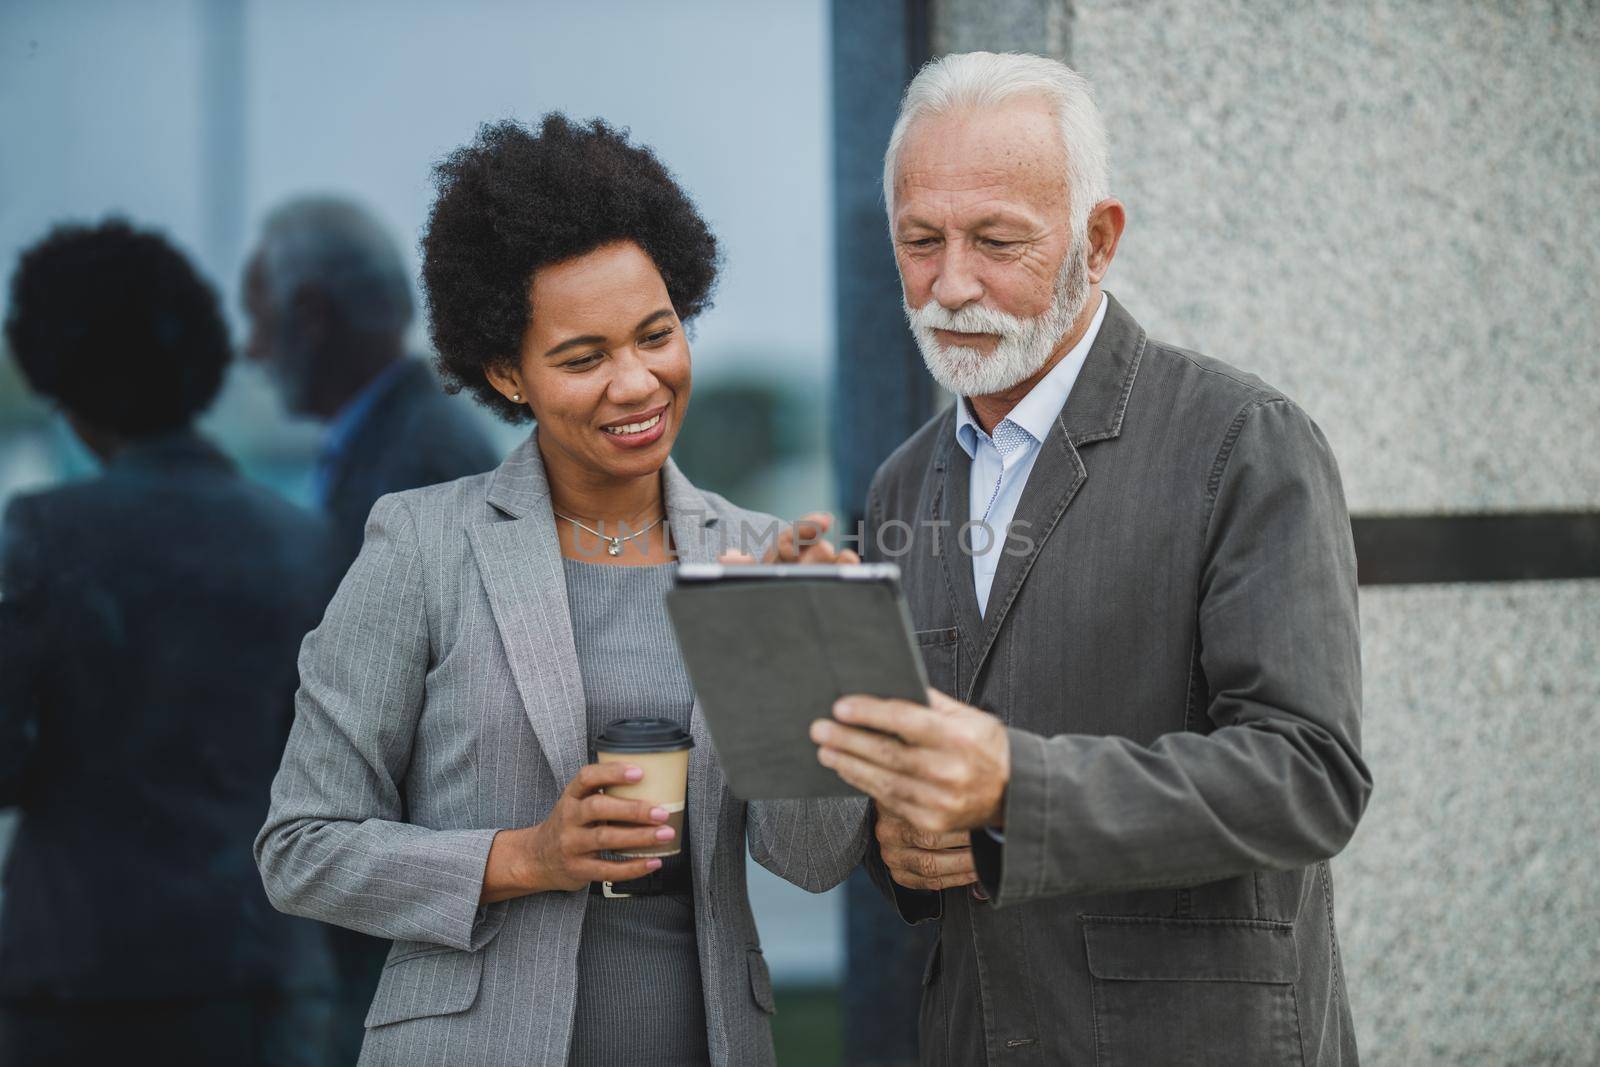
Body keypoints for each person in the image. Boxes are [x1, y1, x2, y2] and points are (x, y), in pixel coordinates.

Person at [255, 115, 868, 1067]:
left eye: (657, 335)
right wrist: (525, 857)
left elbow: (814, 859)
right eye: (584, 359)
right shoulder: (421, 544)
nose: (637, 383)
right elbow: (301, 846)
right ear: (508, 372)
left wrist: (801, 658)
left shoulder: (755, 553)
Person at [809, 53, 1373, 1065]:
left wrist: (1013, 787)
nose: (949, 284)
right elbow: (922, 788)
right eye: (919, 240)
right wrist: (900, 845)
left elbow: (1309, 773)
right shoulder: (901, 483)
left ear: (1098, 240)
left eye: (995, 241)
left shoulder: (1243, 439)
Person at [0, 220, 338, 1065]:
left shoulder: (45, 533)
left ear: (64, 385)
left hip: (85, 981)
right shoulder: (309, 541)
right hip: (270, 976)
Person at [242, 196, 501, 566]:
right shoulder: (407, 439)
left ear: (311, 315)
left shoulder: (420, 463)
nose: (252, 350)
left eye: (258, 318)